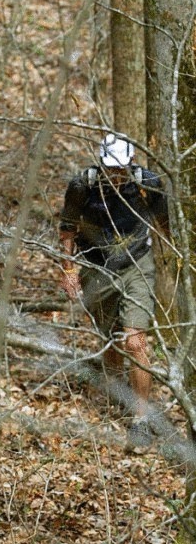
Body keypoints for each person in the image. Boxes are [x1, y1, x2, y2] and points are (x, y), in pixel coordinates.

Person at [59, 133, 169, 450]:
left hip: (137, 263)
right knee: (112, 340)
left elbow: (165, 225)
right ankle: (118, 390)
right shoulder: (83, 185)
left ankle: (140, 420)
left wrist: (177, 263)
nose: (114, 176)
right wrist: (68, 271)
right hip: (97, 266)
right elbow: (67, 229)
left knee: (135, 340)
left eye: (120, 169)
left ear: (131, 163)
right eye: (109, 169)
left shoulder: (148, 184)